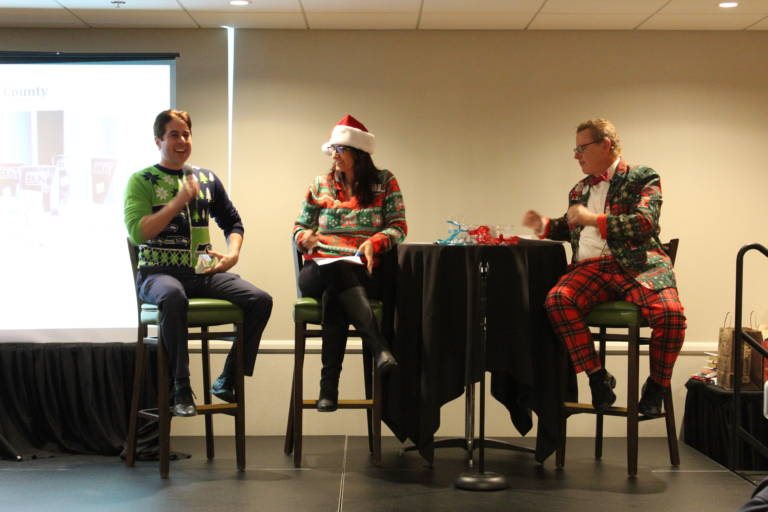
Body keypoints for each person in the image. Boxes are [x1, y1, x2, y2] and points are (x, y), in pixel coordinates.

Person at [522, 118, 686, 417]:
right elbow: (573, 227)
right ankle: (598, 377)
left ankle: (657, 386)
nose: (576, 155)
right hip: (592, 268)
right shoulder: (579, 190)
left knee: (671, 315)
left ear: (606, 145)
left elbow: (644, 222)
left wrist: (594, 220)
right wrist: (546, 225)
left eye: (581, 147)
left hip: (637, 265)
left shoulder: (642, 177)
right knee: (557, 300)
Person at [124, 109, 272, 417]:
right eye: (174, 135)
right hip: (157, 274)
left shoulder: (206, 178)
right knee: (173, 296)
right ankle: (180, 387)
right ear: (158, 140)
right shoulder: (141, 180)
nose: (182, 140)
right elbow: (139, 233)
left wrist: (233, 253)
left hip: (203, 271)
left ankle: (227, 379)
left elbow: (233, 222)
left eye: (186, 134)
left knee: (260, 300)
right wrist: (177, 201)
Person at [293, 114, 407, 412]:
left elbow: (398, 227)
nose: (334, 156)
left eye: (340, 150)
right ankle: (379, 346)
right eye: (332, 150)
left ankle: (328, 388)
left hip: (363, 269)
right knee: (334, 267)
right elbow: (299, 226)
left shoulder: (384, 181)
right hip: (318, 267)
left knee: (336, 292)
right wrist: (305, 237)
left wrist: (373, 242)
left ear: (358, 154)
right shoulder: (320, 185)